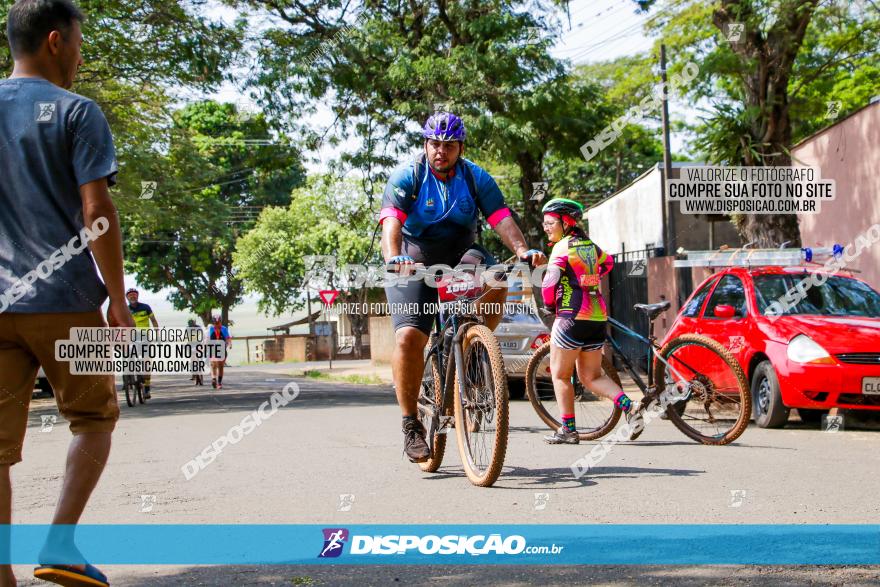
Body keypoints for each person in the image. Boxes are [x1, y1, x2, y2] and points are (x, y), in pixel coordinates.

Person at [0, 1, 131, 586]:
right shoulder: (77, 113)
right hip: (68, 303)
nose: (81, 54)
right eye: (78, 42)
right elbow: (96, 209)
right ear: (55, 40)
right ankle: (59, 543)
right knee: (94, 418)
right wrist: (119, 299)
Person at [379, 111, 546, 463]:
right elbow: (392, 222)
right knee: (409, 337)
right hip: (414, 258)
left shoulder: (475, 177)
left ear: (460, 147)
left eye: (449, 145)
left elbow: (500, 217)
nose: (441, 150)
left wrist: (521, 250)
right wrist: (394, 257)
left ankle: (473, 343)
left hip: (462, 253)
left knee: (498, 276)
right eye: (435, 144)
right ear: (426, 144)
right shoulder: (408, 175)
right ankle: (411, 425)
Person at [539, 198, 644, 444]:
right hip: (596, 318)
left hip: (570, 318)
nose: (545, 227)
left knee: (561, 376)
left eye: (549, 223)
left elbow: (549, 281)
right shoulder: (589, 245)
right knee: (592, 377)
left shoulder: (562, 247)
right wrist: (587, 277)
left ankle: (568, 430)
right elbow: (607, 263)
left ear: (565, 222)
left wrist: (548, 305)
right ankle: (630, 406)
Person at [125, 288, 158, 398]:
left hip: (145, 338)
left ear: (137, 296)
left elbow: (153, 321)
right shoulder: (125, 309)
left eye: (134, 295)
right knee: (126, 355)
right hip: (131, 337)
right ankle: (128, 377)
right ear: (127, 297)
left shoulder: (145, 307)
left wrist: (157, 334)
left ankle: (147, 388)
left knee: (146, 362)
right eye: (130, 295)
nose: (132, 296)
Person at [207, 315, 231, 389]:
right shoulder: (211, 329)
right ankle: (214, 379)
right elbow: (207, 338)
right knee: (213, 365)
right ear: (213, 323)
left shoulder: (224, 329)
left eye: (218, 323)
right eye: (215, 323)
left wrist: (229, 344)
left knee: (220, 366)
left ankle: (219, 382)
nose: (217, 324)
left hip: (222, 349)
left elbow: (228, 338)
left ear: (220, 322)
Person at [187, 319, 204, 386]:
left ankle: (197, 376)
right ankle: (194, 375)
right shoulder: (189, 328)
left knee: (196, 361)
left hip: (197, 345)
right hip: (192, 345)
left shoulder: (198, 328)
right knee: (193, 361)